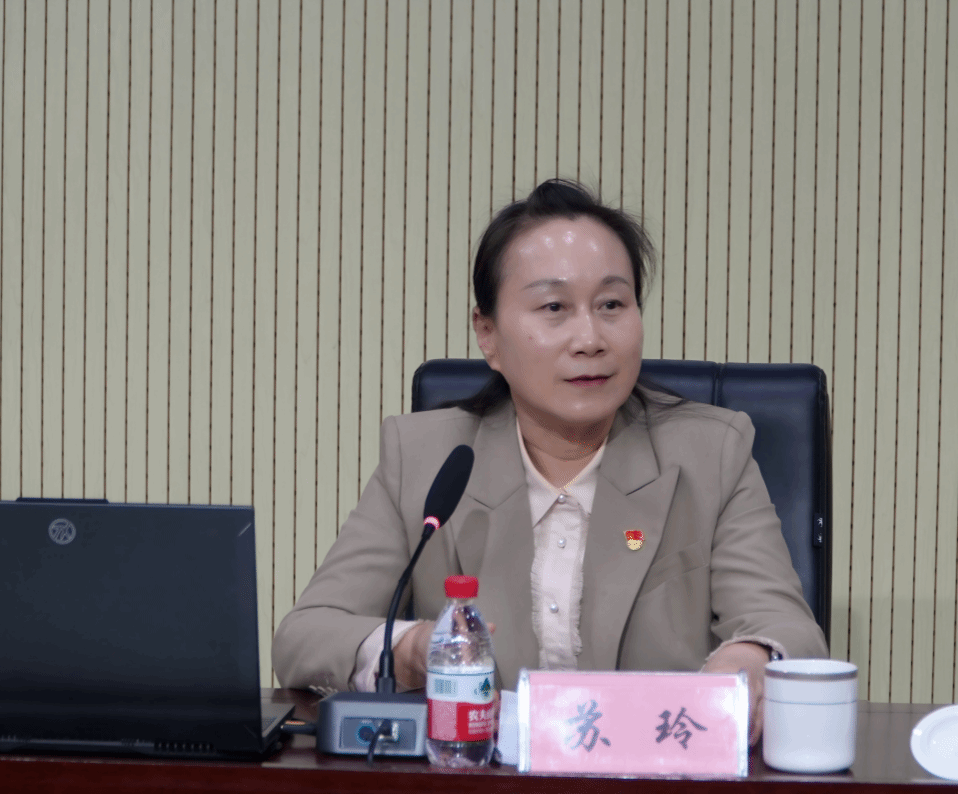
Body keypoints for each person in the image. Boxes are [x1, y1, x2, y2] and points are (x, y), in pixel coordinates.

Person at [272, 179, 827, 744]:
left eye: (612, 305)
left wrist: (752, 656)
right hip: (481, 777)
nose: (590, 339)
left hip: (658, 772)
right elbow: (304, 637)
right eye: (554, 307)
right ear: (488, 334)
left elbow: (789, 628)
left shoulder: (711, 454)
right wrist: (411, 649)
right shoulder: (426, 458)